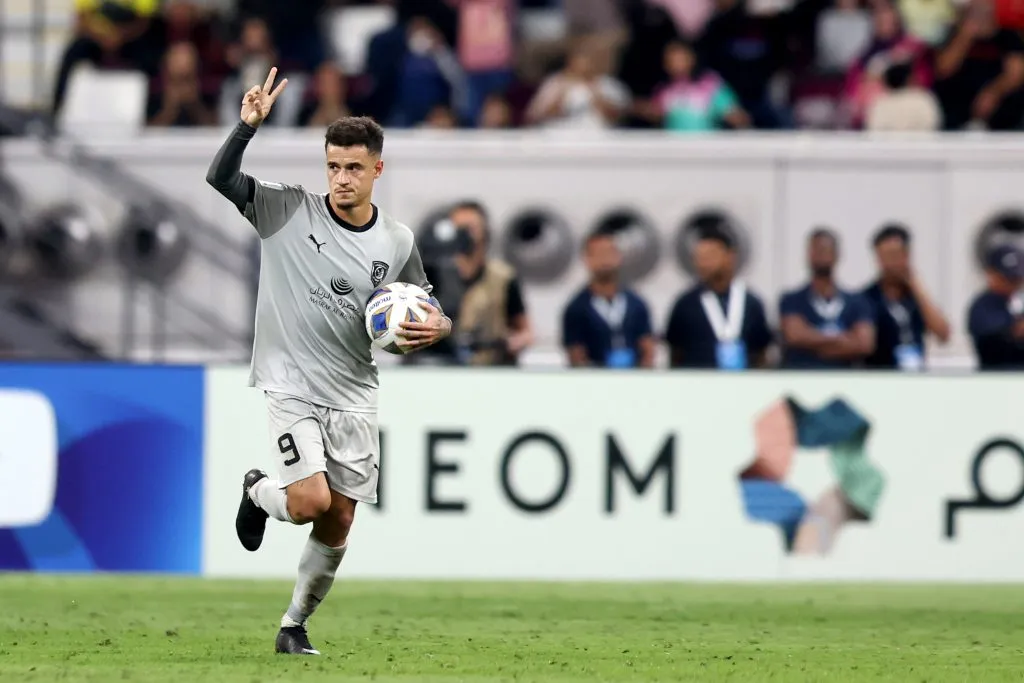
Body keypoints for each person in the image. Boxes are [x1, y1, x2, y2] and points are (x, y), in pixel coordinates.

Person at [205, 68, 452, 656]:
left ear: (377, 170)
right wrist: (246, 128)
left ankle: (293, 626)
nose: (342, 178)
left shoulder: (396, 240)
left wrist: (439, 326)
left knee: (337, 519)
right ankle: (258, 491)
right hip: (290, 383)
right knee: (309, 501)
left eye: (354, 168)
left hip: (355, 391)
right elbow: (220, 178)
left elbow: (426, 302)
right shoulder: (286, 209)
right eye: (333, 166)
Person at [665, 227, 773, 369]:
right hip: (698, 379)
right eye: (698, 258)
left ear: (730, 256)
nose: (703, 263)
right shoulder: (685, 305)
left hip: (743, 380)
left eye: (710, 256)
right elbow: (675, 354)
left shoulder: (751, 303)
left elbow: (761, 353)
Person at [779, 229, 875, 369]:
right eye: (816, 250)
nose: (820, 255)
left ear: (837, 255)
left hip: (843, 378)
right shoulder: (791, 300)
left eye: (825, 250)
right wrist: (843, 339)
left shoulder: (857, 303)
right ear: (808, 255)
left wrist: (814, 345)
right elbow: (795, 335)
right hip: (803, 376)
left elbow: (864, 344)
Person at [861, 224, 950, 370]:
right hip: (882, 374)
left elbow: (943, 333)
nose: (891, 263)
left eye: (896, 255)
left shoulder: (916, 298)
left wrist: (915, 284)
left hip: (915, 375)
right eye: (885, 256)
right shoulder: (867, 298)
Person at [561, 231, 656, 368]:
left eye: (609, 252)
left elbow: (648, 349)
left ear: (619, 256)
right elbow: (576, 356)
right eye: (599, 254)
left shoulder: (636, 304)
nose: (605, 260)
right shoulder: (577, 309)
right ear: (587, 259)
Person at [967, 244, 1024, 369]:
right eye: (1008, 278)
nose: (1013, 284)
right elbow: (993, 339)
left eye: (1017, 278)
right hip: (995, 375)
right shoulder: (982, 305)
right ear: (991, 274)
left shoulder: (1019, 300)